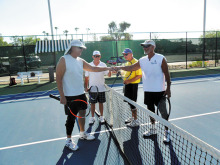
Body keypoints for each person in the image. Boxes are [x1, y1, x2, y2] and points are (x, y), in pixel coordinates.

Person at [56, 40, 112, 151]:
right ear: (72, 48)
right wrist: (62, 96)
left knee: (82, 113)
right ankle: (68, 140)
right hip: (69, 96)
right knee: (71, 118)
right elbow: (58, 78)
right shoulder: (63, 60)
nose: (81, 50)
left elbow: (93, 69)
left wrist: (108, 68)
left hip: (81, 93)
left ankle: (82, 133)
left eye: (82, 48)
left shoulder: (80, 61)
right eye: (79, 48)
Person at [112, 40, 171, 142]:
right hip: (148, 91)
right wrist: (119, 67)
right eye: (144, 46)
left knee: (163, 113)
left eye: (147, 46)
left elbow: (167, 73)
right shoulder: (142, 60)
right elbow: (131, 67)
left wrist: (168, 88)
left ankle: (167, 132)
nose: (145, 48)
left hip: (160, 91)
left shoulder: (161, 58)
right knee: (150, 111)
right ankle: (153, 128)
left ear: (153, 47)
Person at [84, 50, 111, 124]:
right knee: (92, 104)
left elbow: (109, 75)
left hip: (101, 88)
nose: (97, 57)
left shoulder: (103, 65)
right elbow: (86, 78)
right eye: (95, 56)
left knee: (101, 103)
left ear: (100, 56)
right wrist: (86, 87)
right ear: (93, 57)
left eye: (98, 56)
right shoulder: (89, 65)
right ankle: (92, 117)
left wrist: (110, 69)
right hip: (92, 89)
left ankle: (101, 117)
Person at [121, 48, 142, 127]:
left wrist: (129, 81)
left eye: (126, 54)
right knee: (130, 102)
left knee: (133, 103)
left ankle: (136, 120)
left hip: (133, 85)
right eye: (124, 54)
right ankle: (133, 117)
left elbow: (139, 75)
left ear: (131, 54)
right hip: (128, 85)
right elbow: (125, 73)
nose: (124, 56)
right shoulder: (127, 63)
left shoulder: (136, 63)